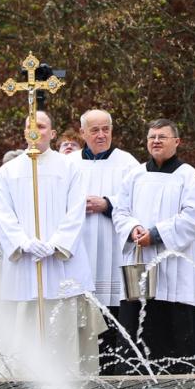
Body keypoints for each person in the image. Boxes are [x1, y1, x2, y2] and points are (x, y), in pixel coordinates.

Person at [0, 110, 104, 378]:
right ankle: (19, 381)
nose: (36, 130)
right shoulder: (8, 171)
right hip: (24, 264)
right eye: (30, 126)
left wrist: (55, 244)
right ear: (23, 133)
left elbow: (76, 210)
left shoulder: (69, 167)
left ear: (52, 133)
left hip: (61, 263)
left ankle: (68, 380)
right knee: (22, 325)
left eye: (42, 126)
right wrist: (24, 243)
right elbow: (3, 214)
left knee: (62, 326)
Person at [113, 118, 195, 374]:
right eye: (152, 136)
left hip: (175, 271)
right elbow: (120, 211)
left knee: (172, 335)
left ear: (177, 142)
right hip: (139, 263)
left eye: (162, 137)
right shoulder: (134, 175)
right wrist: (133, 228)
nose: (155, 141)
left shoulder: (189, 177)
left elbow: (193, 218)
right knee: (135, 330)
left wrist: (155, 234)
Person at [67, 109, 139, 374]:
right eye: (94, 130)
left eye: (105, 129)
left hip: (112, 249)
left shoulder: (128, 163)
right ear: (83, 133)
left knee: (115, 317)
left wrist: (108, 204)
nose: (101, 135)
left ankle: (116, 370)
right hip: (81, 247)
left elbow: (136, 202)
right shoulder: (70, 164)